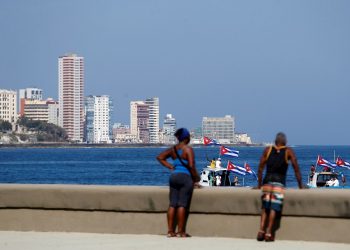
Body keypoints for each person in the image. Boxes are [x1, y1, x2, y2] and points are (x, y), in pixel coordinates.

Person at [256, 132, 302, 242]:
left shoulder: (268, 150)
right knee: (273, 208)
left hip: (267, 182)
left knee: (265, 208)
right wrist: (300, 185)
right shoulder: (288, 151)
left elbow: (260, 168)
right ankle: (269, 233)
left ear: (275, 141)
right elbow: (296, 169)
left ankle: (261, 231)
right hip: (279, 183)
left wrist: (259, 185)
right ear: (285, 142)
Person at [156, 128, 200, 238]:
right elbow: (191, 166)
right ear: (186, 138)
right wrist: (196, 179)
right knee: (182, 205)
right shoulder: (188, 150)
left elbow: (160, 157)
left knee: (172, 204)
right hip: (185, 178)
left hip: (173, 177)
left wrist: (171, 166)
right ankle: (181, 232)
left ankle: (170, 231)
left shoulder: (173, 149)